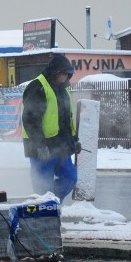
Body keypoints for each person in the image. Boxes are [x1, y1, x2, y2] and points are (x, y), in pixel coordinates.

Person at [21, 54, 81, 203]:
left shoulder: (64, 89)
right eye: (63, 73)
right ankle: (44, 211)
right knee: (43, 185)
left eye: (68, 74)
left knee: (71, 177)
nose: (65, 77)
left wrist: (73, 141)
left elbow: (66, 120)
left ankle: (49, 202)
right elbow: (30, 120)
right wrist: (40, 145)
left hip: (60, 147)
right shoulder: (38, 86)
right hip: (42, 148)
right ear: (55, 72)